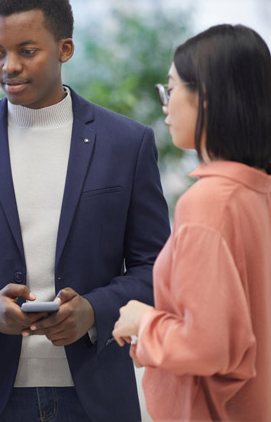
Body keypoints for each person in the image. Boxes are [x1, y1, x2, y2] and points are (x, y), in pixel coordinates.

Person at [0, 0, 170, 422]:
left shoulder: (126, 143)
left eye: (26, 51)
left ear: (65, 49)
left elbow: (156, 268)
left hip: (94, 393)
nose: (8, 66)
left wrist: (94, 310)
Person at [112, 24, 271, 421]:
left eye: (171, 88)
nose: (165, 104)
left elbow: (208, 346)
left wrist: (143, 321)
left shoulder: (207, 203)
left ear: (208, 99)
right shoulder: (256, 192)